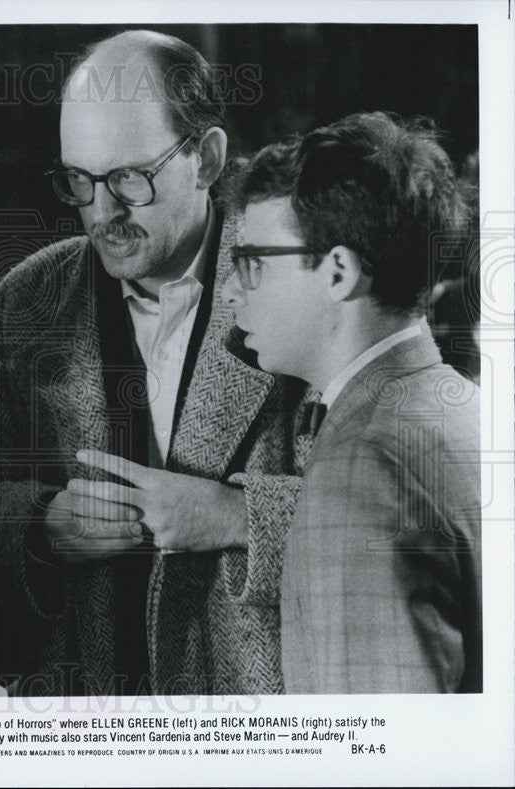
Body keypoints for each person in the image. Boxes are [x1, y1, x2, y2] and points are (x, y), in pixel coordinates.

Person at [0, 30, 311, 695]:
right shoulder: (25, 305)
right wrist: (41, 526)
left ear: (208, 157)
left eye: (129, 178)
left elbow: (397, 515)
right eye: (79, 181)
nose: (102, 211)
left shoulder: (300, 283)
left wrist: (233, 515)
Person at [223, 112, 481, 692]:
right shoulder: (465, 409)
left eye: (252, 263)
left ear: (339, 271)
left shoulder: (361, 466)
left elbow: (383, 753)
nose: (232, 289)